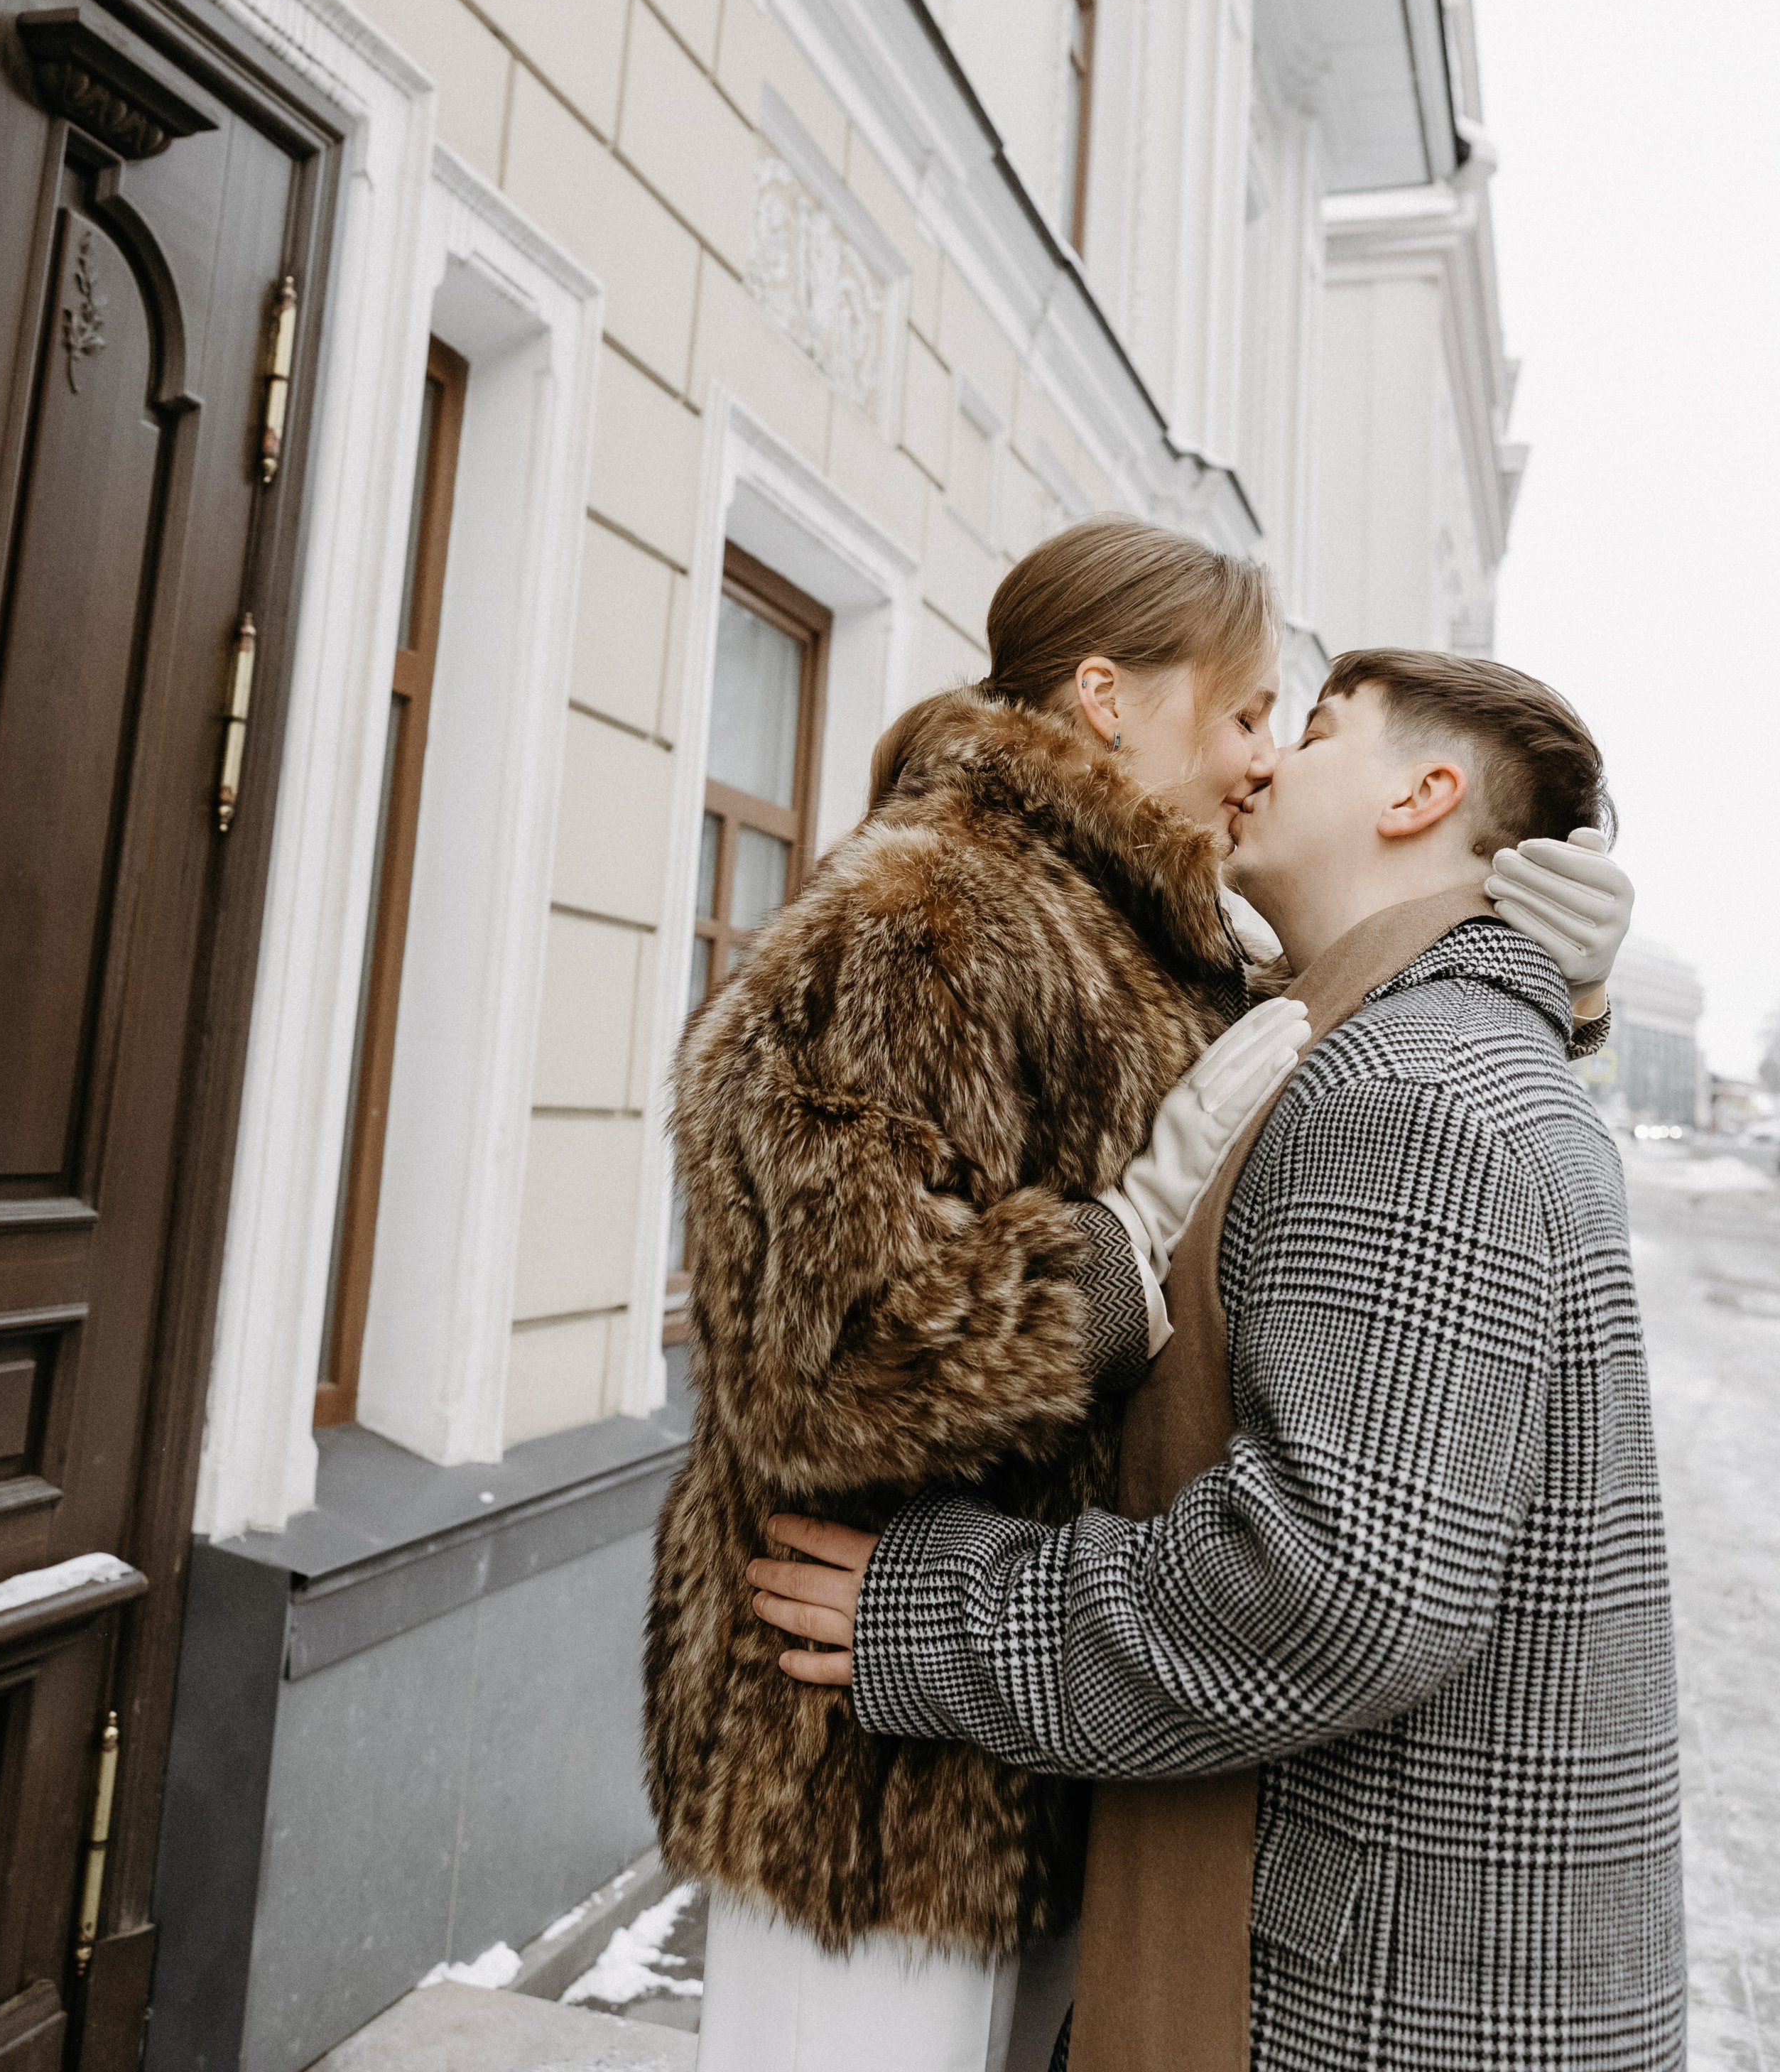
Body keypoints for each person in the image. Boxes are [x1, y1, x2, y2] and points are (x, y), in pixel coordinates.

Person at [749, 650, 1680, 2072]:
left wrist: (927, 1613)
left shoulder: (1411, 1092)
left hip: (1376, 2004)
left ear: (1419, 794)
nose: (1261, 763)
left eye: (1308, 730)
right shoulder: (1412, 1050)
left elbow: (1328, 1590)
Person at [648, 517, 1309, 2072]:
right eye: (1244, 710)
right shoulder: (921, 918)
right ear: (1104, 697)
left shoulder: (1173, 948)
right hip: (863, 1792)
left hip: (1050, 1731)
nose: (1264, 759)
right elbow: (813, 1357)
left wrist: (1525, 965)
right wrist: (1111, 1258)